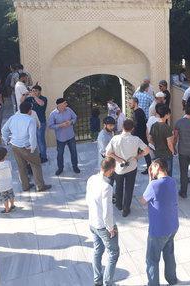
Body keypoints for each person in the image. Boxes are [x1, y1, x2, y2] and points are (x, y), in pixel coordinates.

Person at [140, 159, 179, 285]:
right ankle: (172, 279)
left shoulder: (153, 185)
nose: (151, 170)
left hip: (158, 230)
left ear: (157, 167)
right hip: (172, 226)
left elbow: (143, 201)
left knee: (152, 259)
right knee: (169, 254)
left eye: (152, 167)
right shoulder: (172, 181)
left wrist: (150, 179)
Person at [2, 102, 51, 192]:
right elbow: (32, 136)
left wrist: (6, 140)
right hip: (27, 147)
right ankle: (40, 186)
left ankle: (25, 186)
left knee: (21, 167)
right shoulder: (30, 120)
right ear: (29, 110)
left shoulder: (13, 117)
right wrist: (33, 148)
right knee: (35, 165)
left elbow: (4, 130)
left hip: (15, 146)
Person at [86, 157, 119, 286]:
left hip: (92, 222)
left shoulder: (91, 179)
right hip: (103, 226)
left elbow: (87, 200)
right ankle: (107, 283)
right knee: (113, 253)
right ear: (111, 170)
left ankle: (97, 280)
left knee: (97, 250)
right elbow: (107, 212)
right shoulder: (107, 187)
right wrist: (111, 228)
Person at [106, 119, 150, 217]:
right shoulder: (136, 139)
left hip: (119, 168)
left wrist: (118, 159)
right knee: (129, 188)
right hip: (132, 167)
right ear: (132, 129)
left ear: (122, 127)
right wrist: (137, 156)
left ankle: (118, 205)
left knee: (119, 186)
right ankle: (126, 209)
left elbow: (108, 153)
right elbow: (147, 150)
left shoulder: (115, 139)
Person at [48, 98, 79, 175]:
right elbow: (50, 126)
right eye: (65, 103)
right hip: (60, 138)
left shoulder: (69, 110)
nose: (66, 104)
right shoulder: (53, 114)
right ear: (59, 105)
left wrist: (71, 122)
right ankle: (60, 168)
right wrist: (60, 125)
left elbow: (75, 117)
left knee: (74, 152)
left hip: (70, 136)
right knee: (60, 154)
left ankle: (75, 166)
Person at [24, 85, 48, 162]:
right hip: (32, 123)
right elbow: (21, 102)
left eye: (35, 91)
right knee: (34, 140)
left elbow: (41, 104)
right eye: (33, 90)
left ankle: (44, 157)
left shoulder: (43, 98)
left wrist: (34, 97)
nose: (34, 92)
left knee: (41, 140)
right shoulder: (29, 99)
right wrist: (24, 94)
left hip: (41, 122)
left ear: (39, 91)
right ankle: (40, 154)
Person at [149, 105, 175, 173]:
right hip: (167, 154)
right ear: (166, 115)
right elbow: (169, 143)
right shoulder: (167, 128)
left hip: (157, 153)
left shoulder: (153, 126)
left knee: (158, 173)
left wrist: (156, 146)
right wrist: (173, 151)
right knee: (167, 173)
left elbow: (150, 139)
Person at [129, 97, 153, 174]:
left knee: (144, 153)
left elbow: (137, 125)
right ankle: (134, 168)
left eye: (130, 103)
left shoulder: (138, 112)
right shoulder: (138, 111)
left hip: (140, 135)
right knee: (142, 153)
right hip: (139, 135)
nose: (129, 104)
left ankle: (147, 168)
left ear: (135, 103)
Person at [0, 147, 15, 214]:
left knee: (4, 198)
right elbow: (10, 169)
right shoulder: (8, 163)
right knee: (11, 195)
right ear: (5, 155)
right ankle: (12, 205)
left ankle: (7, 209)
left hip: (1, 186)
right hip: (9, 183)